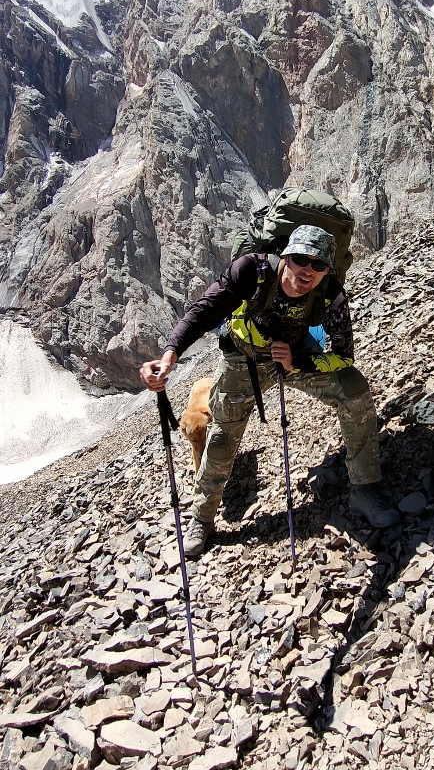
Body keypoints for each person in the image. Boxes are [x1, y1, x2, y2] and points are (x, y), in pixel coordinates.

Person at [140, 225, 398, 555]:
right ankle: (201, 518)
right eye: (301, 259)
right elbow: (204, 310)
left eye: (318, 265)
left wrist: (298, 365)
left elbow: (344, 356)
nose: (308, 270)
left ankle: (364, 487)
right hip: (242, 360)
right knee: (221, 438)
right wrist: (169, 356)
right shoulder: (252, 270)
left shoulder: (331, 293)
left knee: (355, 390)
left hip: (292, 358)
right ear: (286, 256)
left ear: (327, 272)